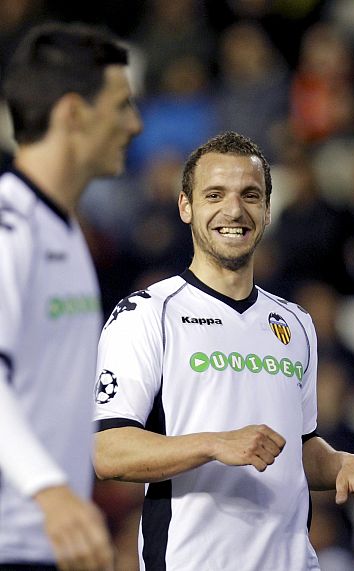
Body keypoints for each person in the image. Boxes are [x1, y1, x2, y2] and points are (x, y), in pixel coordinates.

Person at [92, 131, 354, 570]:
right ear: (185, 207)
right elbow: (109, 452)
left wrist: (344, 462)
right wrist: (214, 444)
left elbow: (295, 450)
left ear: (268, 211)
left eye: (250, 195)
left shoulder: (295, 323)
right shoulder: (147, 313)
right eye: (215, 194)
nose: (234, 210)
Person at [0, 23, 141, 570]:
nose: (135, 124)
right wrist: (51, 492)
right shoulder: (12, 228)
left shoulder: (66, 232)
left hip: (51, 547)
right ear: (73, 114)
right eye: (121, 106)